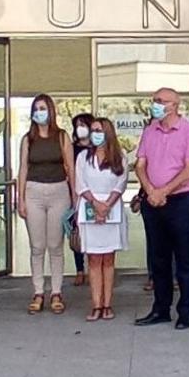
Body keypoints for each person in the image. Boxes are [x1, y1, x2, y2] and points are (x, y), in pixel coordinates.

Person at [134, 88, 189, 330]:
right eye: (154, 101)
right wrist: (151, 190)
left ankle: (185, 311)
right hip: (153, 202)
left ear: (175, 105)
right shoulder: (149, 131)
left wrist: (164, 191)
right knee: (158, 258)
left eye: (161, 101)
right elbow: (140, 164)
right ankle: (160, 309)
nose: (156, 105)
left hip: (180, 201)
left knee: (184, 259)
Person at [17, 94, 75, 315]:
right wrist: (20, 198)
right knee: (37, 246)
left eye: (43, 108)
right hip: (34, 192)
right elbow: (22, 168)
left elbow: (70, 167)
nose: (39, 112)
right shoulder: (27, 139)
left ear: (51, 111)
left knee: (55, 245)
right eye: (36, 108)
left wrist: (75, 196)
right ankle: (38, 291)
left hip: (59, 191)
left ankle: (57, 291)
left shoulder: (61, 137)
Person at [74, 118, 129, 321]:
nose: (95, 133)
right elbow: (80, 183)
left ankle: (107, 304)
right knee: (94, 259)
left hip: (112, 209)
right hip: (90, 208)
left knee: (108, 258)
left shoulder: (119, 157)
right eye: (93, 130)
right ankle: (96, 304)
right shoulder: (82, 157)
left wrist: (107, 205)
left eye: (99, 130)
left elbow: (121, 183)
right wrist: (96, 204)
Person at [70, 113, 96, 287]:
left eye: (83, 124)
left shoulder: (99, 147)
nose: (80, 128)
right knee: (77, 231)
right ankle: (80, 269)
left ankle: (95, 267)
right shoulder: (72, 148)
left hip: (97, 194)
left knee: (96, 232)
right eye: (77, 125)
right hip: (77, 194)